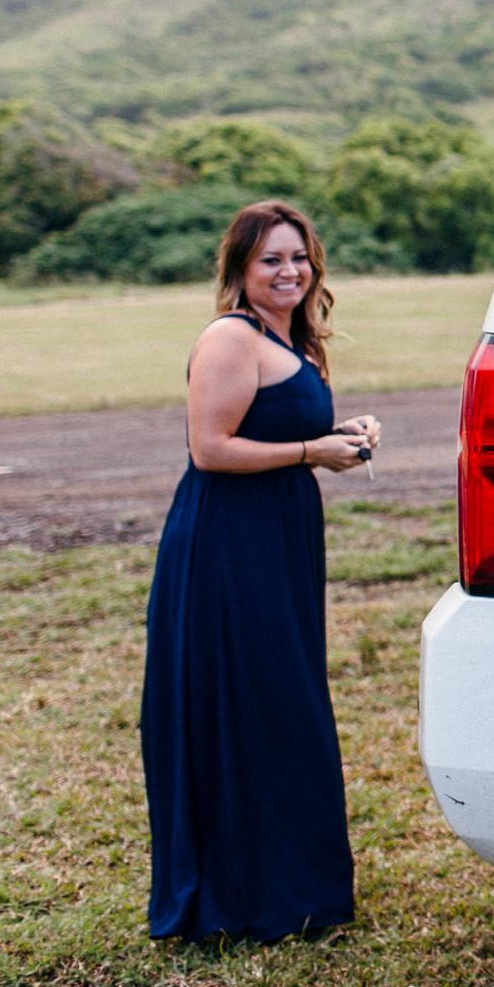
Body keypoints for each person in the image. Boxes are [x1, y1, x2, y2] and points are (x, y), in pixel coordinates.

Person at [141, 200, 381, 942]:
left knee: (284, 700)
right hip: (226, 544)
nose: (290, 271)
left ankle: (296, 888)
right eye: (271, 259)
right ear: (241, 269)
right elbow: (210, 447)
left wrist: (343, 437)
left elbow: (275, 429)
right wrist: (313, 451)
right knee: (247, 699)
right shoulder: (229, 336)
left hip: (279, 539)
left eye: (299, 256)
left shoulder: (292, 338)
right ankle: (244, 897)